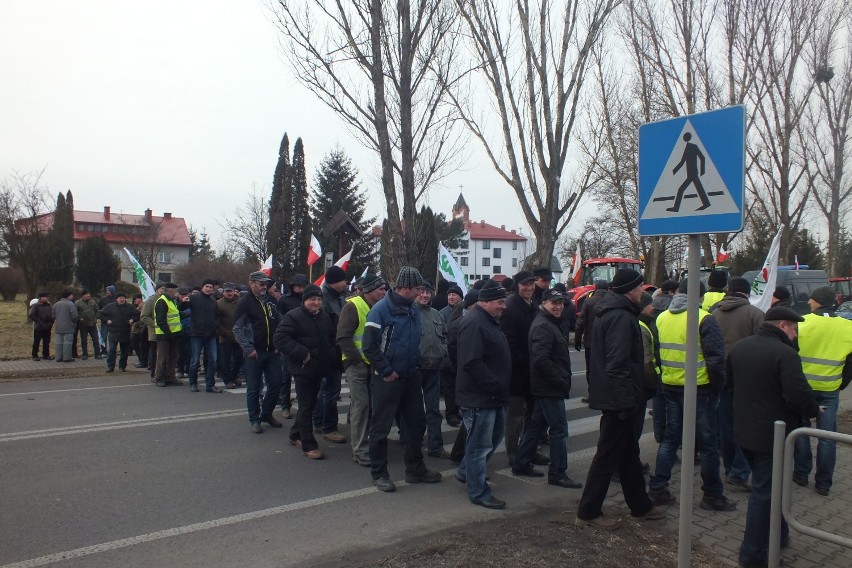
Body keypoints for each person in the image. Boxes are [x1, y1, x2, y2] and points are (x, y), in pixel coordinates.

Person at [727, 307, 819, 567]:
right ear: (782, 326)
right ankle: (753, 554)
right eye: (794, 329)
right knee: (765, 493)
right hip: (772, 436)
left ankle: (779, 534)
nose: (795, 334)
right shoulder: (786, 354)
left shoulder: (741, 347)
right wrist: (814, 411)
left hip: (744, 431)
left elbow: (730, 385)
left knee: (771, 488)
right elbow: (797, 395)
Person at [576, 268, 665, 529]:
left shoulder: (618, 312)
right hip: (619, 401)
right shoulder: (620, 317)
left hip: (620, 399)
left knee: (628, 454)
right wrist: (627, 402)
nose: (643, 292)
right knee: (607, 456)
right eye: (640, 288)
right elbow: (617, 365)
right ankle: (588, 511)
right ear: (630, 289)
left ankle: (641, 506)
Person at [649, 278, 735, 512]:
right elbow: (716, 360)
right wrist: (717, 387)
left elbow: (657, 352)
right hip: (700, 390)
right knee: (708, 445)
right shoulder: (703, 318)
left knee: (670, 439)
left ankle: (658, 489)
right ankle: (712, 496)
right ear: (700, 296)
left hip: (671, 386)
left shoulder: (662, 317)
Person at [362, 266, 441, 492]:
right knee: (381, 428)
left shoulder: (413, 308)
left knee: (417, 423)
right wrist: (386, 371)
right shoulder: (380, 311)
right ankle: (379, 474)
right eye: (417, 288)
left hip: (411, 376)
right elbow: (369, 347)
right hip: (388, 379)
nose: (421, 292)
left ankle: (415, 469)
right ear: (405, 288)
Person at [513, 288, 582, 489]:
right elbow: (540, 360)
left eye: (561, 303)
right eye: (554, 303)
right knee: (559, 430)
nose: (559, 306)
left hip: (546, 387)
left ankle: (521, 462)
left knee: (536, 426)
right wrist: (559, 380)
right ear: (544, 303)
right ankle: (558, 473)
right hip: (548, 388)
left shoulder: (550, 322)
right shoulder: (543, 326)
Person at [456, 279, 511, 509]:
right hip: (480, 396)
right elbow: (471, 362)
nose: (503, 306)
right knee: (480, 445)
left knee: (494, 436)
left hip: (493, 395)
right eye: (500, 302)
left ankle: (465, 472)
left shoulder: (488, 320)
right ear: (485, 302)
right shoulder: (474, 323)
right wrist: (494, 385)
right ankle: (478, 491)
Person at [792, 286, 852, 496]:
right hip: (830, 388)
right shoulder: (848, 326)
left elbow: (791, 354)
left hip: (804, 388)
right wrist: (842, 383)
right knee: (827, 436)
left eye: (811, 299)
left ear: (817, 302)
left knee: (801, 431)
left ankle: (800, 473)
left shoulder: (802, 323)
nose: (808, 302)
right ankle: (823, 483)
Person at [711, 277, 764, 492]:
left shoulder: (714, 313)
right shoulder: (755, 314)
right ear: (747, 292)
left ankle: (729, 467)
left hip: (720, 375)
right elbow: (762, 347)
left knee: (725, 424)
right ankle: (739, 472)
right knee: (745, 425)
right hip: (746, 377)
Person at [274, 284, 338, 460]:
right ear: (304, 301)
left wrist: (332, 358)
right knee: (307, 406)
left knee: (308, 403)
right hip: (302, 368)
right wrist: (303, 354)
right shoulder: (293, 317)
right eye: (312, 299)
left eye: (318, 299)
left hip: (319, 368)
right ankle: (308, 445)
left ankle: (295, 435)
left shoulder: (323, 317)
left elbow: (330, 339)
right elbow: (280, 338)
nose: (316, 302)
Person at [337, 273, 387, 466]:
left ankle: (365, 442)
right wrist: (357, 360)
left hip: (373, 365)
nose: (384, 292)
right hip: (357, 365)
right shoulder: (353, 306)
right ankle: (360, 450)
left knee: (368, 406)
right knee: (362, 405)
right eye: (381, 289)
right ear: (370, 290)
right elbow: (343, 337)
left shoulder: (378, 307)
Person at [500, 270, 545, 467]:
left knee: (533, 414)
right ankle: (513, 452)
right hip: (517, 371)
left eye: (531, 284)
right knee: (515, 415)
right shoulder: (510, 307)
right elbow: (508, 341)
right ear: (517, 285)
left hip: (532, 370)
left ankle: (530, 449)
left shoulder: (533, 305)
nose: (529, 288)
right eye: (525, 284)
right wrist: (522, 361)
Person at [233, 271, 283, 434]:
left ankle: (267, 414)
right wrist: (249, 348)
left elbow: (281, 323)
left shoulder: (271, 301)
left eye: (266, 284)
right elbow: (237, 328)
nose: (264, 286)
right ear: (251, 284)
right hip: (254, 353)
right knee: (254, 388)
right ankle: (254, 419)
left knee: (276, 384)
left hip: (272, 352)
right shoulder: (245, 303)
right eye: (261, 283)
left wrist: (279, 344)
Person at [415, 280, 449, 459]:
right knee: (413, 409)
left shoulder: (437, 314)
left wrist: (442, 351)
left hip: (434, 366)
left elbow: (445, 336)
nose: (425, 295)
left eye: (428, 292)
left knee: (434, 409)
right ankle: (412, 443)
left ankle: (436, 446)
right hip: (415, 367)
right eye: (421, 291)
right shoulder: (409, 312)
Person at [315, 265, 349, 443]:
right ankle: (328, 427)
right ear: (334, 282)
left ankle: (319, 421)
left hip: (335, 350)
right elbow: (327, 328)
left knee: (326, 390)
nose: (346, 283)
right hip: (329, 352)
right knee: (330, 390)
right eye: (343, 280)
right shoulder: (325, 300)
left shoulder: (338, 298)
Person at [277, 273, 308, 418]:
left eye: (303, 286)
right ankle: (285, 405)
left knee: (303, 377)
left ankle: (304, 406)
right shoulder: (284, 300)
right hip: (288, 341)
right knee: (286, 375)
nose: (300, 289)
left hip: (304, 341)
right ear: (292, 286)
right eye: (298, 286)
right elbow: (278, 320)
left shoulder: (307, 300)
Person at [185, 279, 222, 393]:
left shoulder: (213, 301)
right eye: (207, 286)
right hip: (197, 333)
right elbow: (181, 308)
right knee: (195, 360)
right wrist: (183, 302)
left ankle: (210, 385)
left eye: (211, 287)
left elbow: (217, 316)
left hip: (210, 334)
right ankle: (193, 383)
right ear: (202, 287)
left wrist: (215, 326)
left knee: (213, 360)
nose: (209, 289)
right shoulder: (194, 298)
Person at [99, 292, 140, 372]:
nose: (121, 299)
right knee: (112, 350)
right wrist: (107, 320)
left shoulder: (130, 307)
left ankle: (122, 366)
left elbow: (137, 314)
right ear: (116, 299)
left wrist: (132, 319)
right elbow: (100, 314)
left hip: (125, 331)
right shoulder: (110, 306)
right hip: (113, 331)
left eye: (123, 298)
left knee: (124, 351)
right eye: (120, 298)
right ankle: (110, 366)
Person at [154, 283, 183, 387]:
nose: (177, 293)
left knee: (173, 357)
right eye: (175, 290)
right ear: (171, 290)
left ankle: (170, 376)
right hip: (164, 335)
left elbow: (176, 315)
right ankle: (159, 378)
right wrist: (168, 333)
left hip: (174, 334)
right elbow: (160, 320)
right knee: (162, 357)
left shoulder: (172, 301)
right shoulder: (162, 301)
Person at [216, 282, 243, 389]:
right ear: (223, 292)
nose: (229, 293)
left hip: (239, 336)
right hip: (225, 336)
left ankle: (234, 376)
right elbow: (217, 322)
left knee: (239, 359)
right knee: (225, 360)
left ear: (234, 291)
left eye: (230, 291)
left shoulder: (240, 302)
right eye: (227, 291)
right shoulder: (218, 303)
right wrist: (224, 333)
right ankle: (227, 380)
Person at [140, 282, 166, 380]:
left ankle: (163, 374)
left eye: (165, 289)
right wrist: (155, 325)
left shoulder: (166, 300)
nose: (163, 290)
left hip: (166, 333)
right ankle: (154, 374)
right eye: (162, 288)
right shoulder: (151, 301)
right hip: (155, 334)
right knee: (156, 355)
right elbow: (144, 316)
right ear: (157, 289)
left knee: (163, 356)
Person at [74, 289, 102, 360]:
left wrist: (96, 317)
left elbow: (97, 310)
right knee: (84, 340)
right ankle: (85, 354)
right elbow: (75, 312)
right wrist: (80, 318)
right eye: (87, 294)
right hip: (83, 324)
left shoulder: (93, 302)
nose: (88, 295)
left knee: (95, 339)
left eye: (89, 294)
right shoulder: (78, 303)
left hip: (92, 324)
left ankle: (97, 354)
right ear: (83, 295)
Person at [52, 290, 78, 363]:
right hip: (68, 326)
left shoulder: (56, 304)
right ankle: (67, 357)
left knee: (59, 342)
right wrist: (74, 322)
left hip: (58, 326)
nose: (72, 296)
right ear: (68, 296)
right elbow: (75, 316)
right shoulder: (71, 304)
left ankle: (58, 357)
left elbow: (53, 315)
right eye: (71, 295)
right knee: (68, 342)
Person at [29, 292, 54, 361]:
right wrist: (38, 321)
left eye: (47, 297)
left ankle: (46, 355)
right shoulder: (36, 306)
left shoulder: (49, 305)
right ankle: (34, 355)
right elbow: (31, 314)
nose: (46, 298)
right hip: (39, 327)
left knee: (46, 342)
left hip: (47, 326)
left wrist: (51, 321)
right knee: (37, 342)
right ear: (41, 298)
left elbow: (52, 314)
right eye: (45, 297)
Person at [130, 294, 149, 368]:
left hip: (139, 329)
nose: (135, 301)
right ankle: (142, 360)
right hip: (136, 329)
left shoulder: (143, 306)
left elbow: (142, 318)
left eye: (136, 299)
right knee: (136, 345)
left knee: (140, 346)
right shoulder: (137, 307)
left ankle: (143, 361)